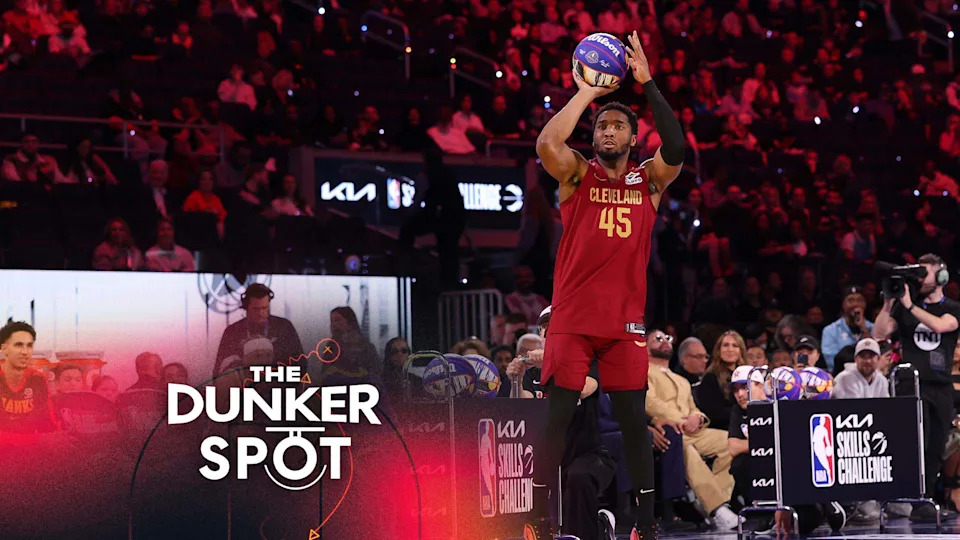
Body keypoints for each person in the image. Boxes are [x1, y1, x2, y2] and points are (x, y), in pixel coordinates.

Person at [526, 29, 685, 540]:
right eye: (602, 126)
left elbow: (677, 147)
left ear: (634, 137)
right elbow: (548, 142)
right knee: (555, 420)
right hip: (572, 317)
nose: (608, 131)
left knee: (634, 424)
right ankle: (538, 522)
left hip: (624, 324)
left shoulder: (649, 183)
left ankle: (644, 524)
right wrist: (587, 92)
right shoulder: (575, 174)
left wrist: (649, 84)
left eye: (618, 125)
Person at [507, 309, 617, 540]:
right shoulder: (532, 372)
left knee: (578, 477)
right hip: (544, 456)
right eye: (545, 328)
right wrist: (515, 380)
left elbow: (584, 388)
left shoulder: (589, 362)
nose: (547, 332)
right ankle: (593, 525)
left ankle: (585, 534)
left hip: (588, 454)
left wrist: (552, 361)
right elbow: (520, 410)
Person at [874, 253, 960, 521]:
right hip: (911, 385)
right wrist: (890, 303)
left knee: (936, 445)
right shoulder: (905, 307)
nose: (920, 279)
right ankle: (913, 498)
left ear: (942, 277)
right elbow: (879, 333)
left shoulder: (953, 308)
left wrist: (909, 305)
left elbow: (940, 325)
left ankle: (925, 501)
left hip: (941, 386)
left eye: (926, 273)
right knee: (915, 444)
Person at [646, 328, 739, 530]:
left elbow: (694, 408)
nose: (664, 341)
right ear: (645, 348)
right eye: (657, 338)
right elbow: (649, 402)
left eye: (668, 338)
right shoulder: (644, 373)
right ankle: (717, 509)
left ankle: (712, 504)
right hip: (672, 431)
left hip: (694, 431)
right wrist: (680, 419)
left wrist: (697, 418)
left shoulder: (682, 380)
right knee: (684, 449)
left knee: (730, 442)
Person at [212, 284, 304, 378]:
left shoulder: (284, 327)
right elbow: (219, 371)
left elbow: (300, 365)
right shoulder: (232, 332)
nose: (261, 313)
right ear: (246, 307)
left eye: (264, 308)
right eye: (256, 309)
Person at [0, 321, 55, 433]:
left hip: (31, 447)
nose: (25, 352)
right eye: (18, 345)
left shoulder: (38, 380)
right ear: (4, 349)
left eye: (29, 346)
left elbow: (47, 425)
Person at [699, 330, 747, 431]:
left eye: (735, 346)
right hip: (723, 429)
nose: (730, 349)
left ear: (741, 351)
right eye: (725, 345)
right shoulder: (710, 377)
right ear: (718, 350)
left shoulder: (748, 374)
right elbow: (714, 414)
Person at [822, 286, 873, 371]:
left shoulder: (873, 328)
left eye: (859, 300)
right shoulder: (830, 331)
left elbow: (875, 356)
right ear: (843, 304)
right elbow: (831, 361)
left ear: (865, 303)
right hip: (840, 378)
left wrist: (864, 329)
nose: (855, 304)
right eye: (851, 300)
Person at [328, 306, 380, 378]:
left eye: (337, 320)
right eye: (331, 321)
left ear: (350, 323)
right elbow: (325, 374)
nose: (333, 325)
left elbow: (375, 374)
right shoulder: (331, 347)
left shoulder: (366, 348)